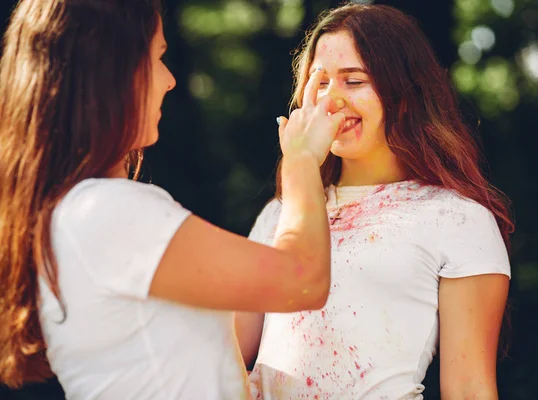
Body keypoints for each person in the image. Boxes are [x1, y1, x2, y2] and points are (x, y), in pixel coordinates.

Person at [0, 0, 347, 398]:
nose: (169, 80)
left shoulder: (68, 212)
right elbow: (302, 281)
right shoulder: (108, 212)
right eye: (158, 58)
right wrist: (302, 161)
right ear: (111, 73)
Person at [236, 3, 514, 399]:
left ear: (402, 95)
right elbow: (222, 352)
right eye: (320, 82)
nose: (332, 100)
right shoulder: (280, 215)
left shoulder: (458, 219)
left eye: (353, 81)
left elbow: (469, 387)